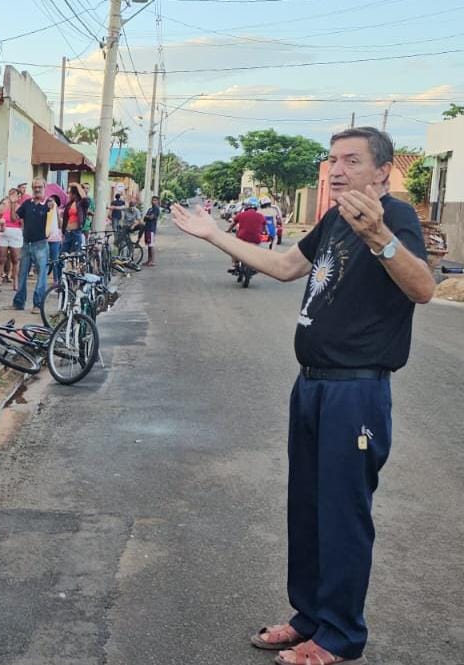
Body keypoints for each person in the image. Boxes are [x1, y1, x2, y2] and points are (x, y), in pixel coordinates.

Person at [171, 127, 434, 665]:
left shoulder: (395, 216)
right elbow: (286, 267)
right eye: (333, 159)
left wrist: (380, 237)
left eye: (352, 160)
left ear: (383, 171)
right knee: (308, 509)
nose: (336, 170)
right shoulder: (335, 219)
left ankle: (339, 635)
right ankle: (310, 616)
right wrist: (213, 235)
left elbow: (424, 288)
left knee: (342, 515)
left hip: (355, 392)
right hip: (312, 384)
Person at [13, 178, 52, 315]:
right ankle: (19, 302)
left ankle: (38, 304)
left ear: (44, 187)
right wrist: (13, 203)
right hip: (26, 243)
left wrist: (52, 208)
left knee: (41, 276)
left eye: (39, 187)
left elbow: (56, 222)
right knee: (22, 274)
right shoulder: (27, 203)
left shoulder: (49, 204)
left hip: (41, 244)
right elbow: (15, 218)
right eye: (35, 187)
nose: (37, 189)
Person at [0, 196, 22, 283]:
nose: (5, 205)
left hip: (15, 235)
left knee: (15, 259)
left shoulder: (19, 209)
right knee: (1, 259)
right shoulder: (3, 211)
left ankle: (15, 282)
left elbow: (21, 222)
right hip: (4, 234)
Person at [64, 183, 89, 254]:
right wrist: (63, 232)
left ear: (74, 194)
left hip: (76, 232)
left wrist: (77, 185)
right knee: (63, 254)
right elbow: (66, 219)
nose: (68, 195)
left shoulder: (81, 203)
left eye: (70, 193)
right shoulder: (69, 204)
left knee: (75, 254)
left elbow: (85, 199)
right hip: (67, 232)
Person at [46, 193, 64, 288]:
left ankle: (56, 279)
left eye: (52, 201)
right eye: (49, 201)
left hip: (55, 239)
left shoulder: (59, 211)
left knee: (55, 260)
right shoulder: (45, 211)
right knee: (45, 260)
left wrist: (56, 212)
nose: (51, 203)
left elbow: (60, 225)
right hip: (45, 238)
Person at [143, 195, 161, 266]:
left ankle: (152, 261)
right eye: (153, 200)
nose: (153, 201)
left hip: (151, 229)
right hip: (147, 228)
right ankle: (149, 260)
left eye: (155, 200)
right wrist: (147, 217)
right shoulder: (150, 209)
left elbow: (151, 217)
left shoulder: (156, 209)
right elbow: (145, 218)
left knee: (151, 245)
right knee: (148, 245)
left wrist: (148, 217)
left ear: (158, 201)